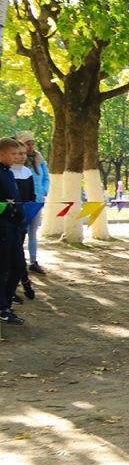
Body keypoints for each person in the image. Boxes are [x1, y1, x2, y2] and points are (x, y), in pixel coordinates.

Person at [0, 137, 26, 325]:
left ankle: (6, 303)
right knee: (3, 269)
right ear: (2, 153)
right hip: (2, 228)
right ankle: (3, 308)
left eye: (18, 153)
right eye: (13, 153)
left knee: (17, 267)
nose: (16, 157)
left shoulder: (8, 172)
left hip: (13, 227)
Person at [16, 131, 48, 274]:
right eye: (27, 144)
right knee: (19, 232)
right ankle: (17, 262)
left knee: (33, 232)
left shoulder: (40, 160)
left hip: (37, 201)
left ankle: (33, 261)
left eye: (32, 143)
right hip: (22, 201)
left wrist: (44, 191)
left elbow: (46, 178)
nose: (30, 147)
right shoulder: (18, 160)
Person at [10, 142, 36, 303]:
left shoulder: (27, 172)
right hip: (8, 219)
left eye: (23, 153)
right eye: (17, 153)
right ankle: (20, 285)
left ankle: (21, 283)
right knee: (12, 256)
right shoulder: (6, 173)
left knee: (18, 253)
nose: (21, 157)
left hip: (22, 219)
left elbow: (31, 195)